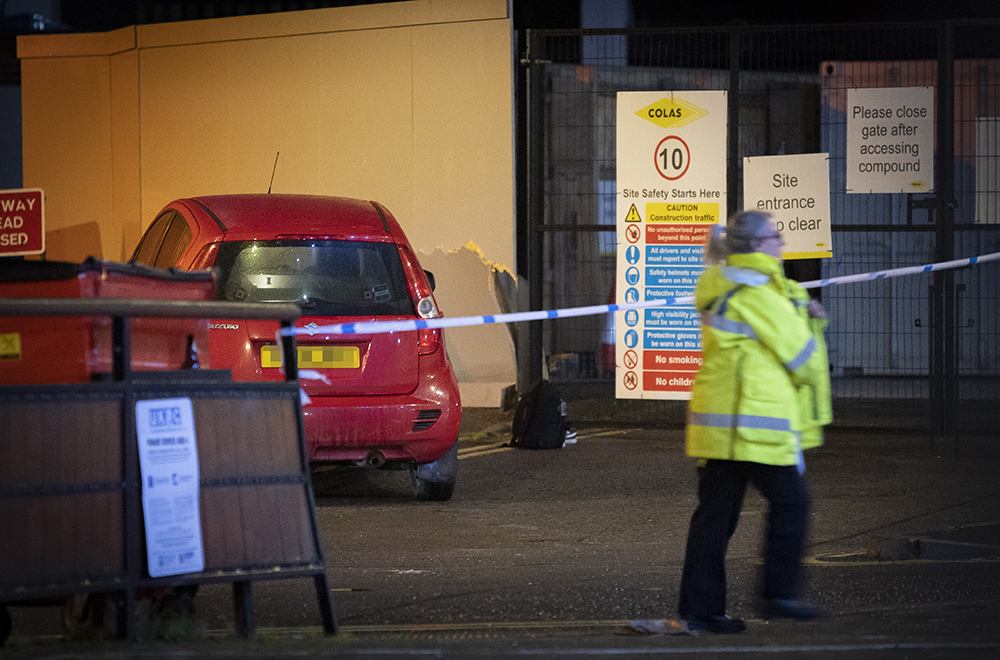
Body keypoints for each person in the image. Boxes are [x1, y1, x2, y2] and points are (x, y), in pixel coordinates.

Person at [677, 210, 832, 634]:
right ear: (759, 245)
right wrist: (811, 318)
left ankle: (702, 611)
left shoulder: (717, 282)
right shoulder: (762, 292)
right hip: (757, 424)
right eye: (777, 236)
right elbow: (801, 357)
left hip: (716, 425)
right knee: (792, 504)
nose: (783, 242)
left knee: (714, 519)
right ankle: (779, 594)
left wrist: (796, 303)